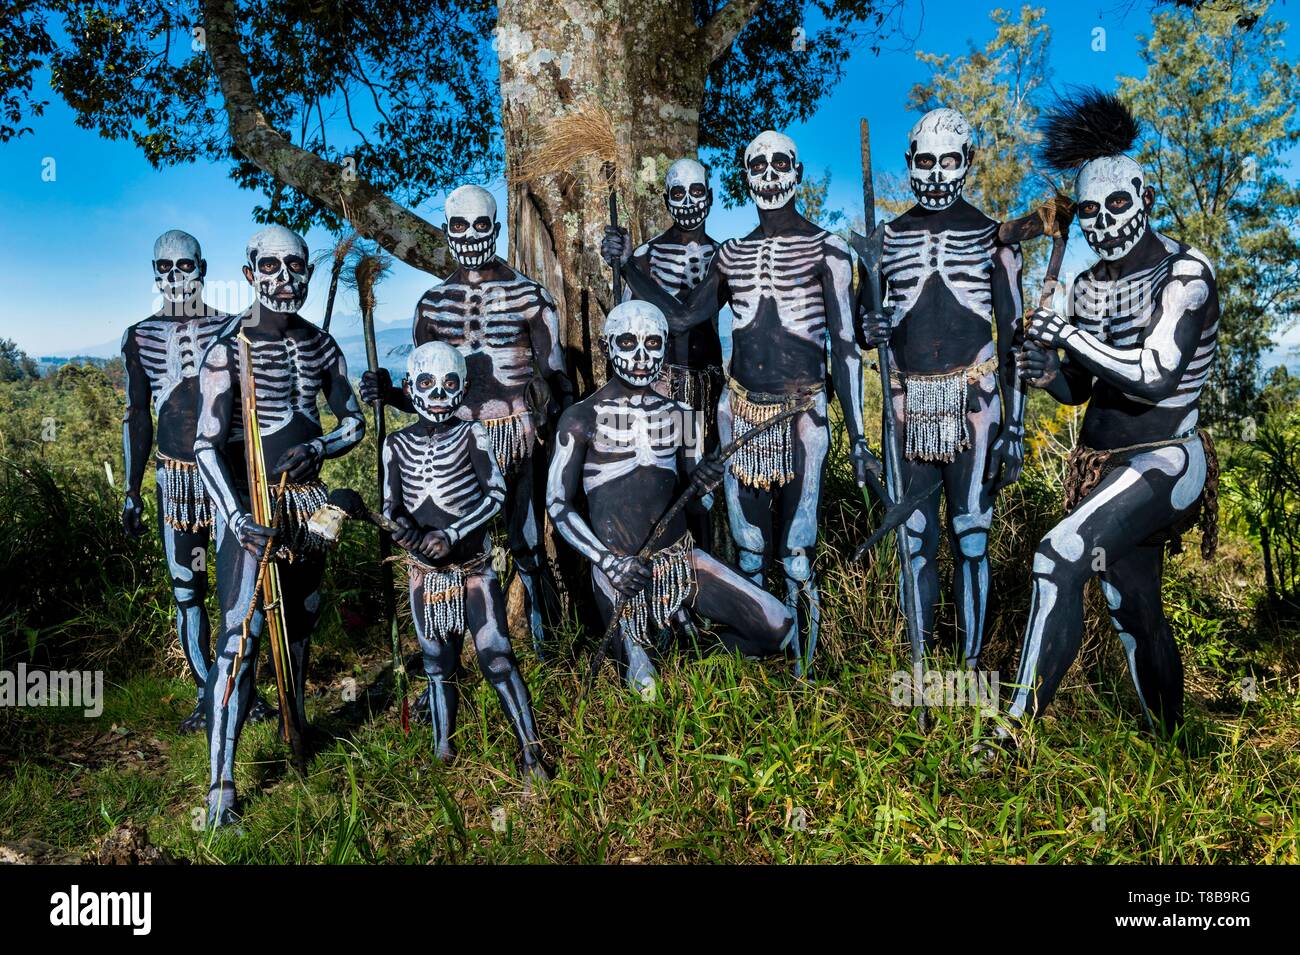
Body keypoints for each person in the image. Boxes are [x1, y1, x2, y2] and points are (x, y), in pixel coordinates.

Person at [1003, 89, 1220, 741]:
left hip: (1167, 460)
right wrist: (1042, 369)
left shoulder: (1186, 274)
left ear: (1147, 199)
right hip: (1102, 467)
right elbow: (1078, 388)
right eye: (1089, 212)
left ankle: (1011, 735)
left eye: (1117, 205)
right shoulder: (1089, 286)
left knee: (1058, 553)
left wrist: (1068, 335)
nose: (1100, 223)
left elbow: (1155, 376)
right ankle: (1173, 743)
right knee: (1135, 611)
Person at [194, 225, 366, 827]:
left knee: (298, 629)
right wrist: (238, 517)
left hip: (308, 508)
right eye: (271, 267)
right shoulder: (225, 349)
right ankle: (220, 784)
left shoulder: (321, 347)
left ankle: (298, 737)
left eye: (297, 266)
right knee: (239, 645)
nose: (286, 278)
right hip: (250, 512)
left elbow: (354, 422)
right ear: (249, 273)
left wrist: (322, 448)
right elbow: (206, 448)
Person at [547, 300, 794, 700]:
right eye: (628, 344)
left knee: (779, 626)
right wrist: (609, 562)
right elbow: (557, 504)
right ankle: (655, 669)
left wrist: (704, 484)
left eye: (652, 344)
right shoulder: (581, 418)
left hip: (681, 560)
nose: (642, 358)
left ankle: (698, 668)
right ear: (609, 347)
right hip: (617, 573)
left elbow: (699, 506)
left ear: (664, 347)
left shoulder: (683, 415)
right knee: (645, 692)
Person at [384, 341, 551, 787]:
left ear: (462, 391)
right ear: (409, 387)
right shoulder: (394, 444)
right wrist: (401, 530)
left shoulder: (472, 433)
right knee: (437, 663)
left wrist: (452, 534)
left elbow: (495, 494)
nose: (438, 393)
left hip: (474, 569)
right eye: (426, 383)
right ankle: (443, 751)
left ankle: (531, 752)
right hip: (426, 577)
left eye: (449, 384)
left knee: (496, 657)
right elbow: (391, 505)